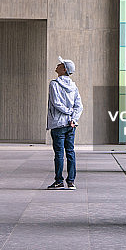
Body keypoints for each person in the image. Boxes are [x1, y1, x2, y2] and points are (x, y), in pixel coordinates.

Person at [46, 56, 83, 190]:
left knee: (59, 154)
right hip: (71, 125)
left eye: (60, 64)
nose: (57, 65)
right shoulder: (74, 86)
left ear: (64, 69)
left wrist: (68, 113)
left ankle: (59, 181)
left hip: (58, 124)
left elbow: (56, 103)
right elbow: (79, 106)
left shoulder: (54, 84)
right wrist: (73, 118)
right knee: (70, 152)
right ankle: (71, 182)